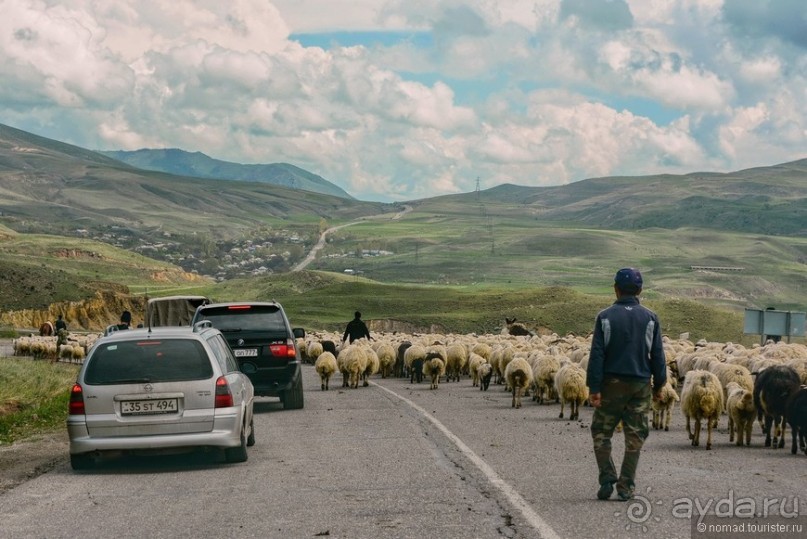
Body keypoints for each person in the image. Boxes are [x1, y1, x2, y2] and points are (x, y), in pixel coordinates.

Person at [586, 267, 666, 502]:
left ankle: (607, 478)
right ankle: (626, 486)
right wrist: (660, 384)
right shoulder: (651, 318)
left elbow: (597, 354)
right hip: (640, 385)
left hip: (611, 383)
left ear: (616, 289)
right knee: (635, 436)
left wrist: (594, 388)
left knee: (601, 432)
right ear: (640, 290)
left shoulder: (605, 317)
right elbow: (658, 354)